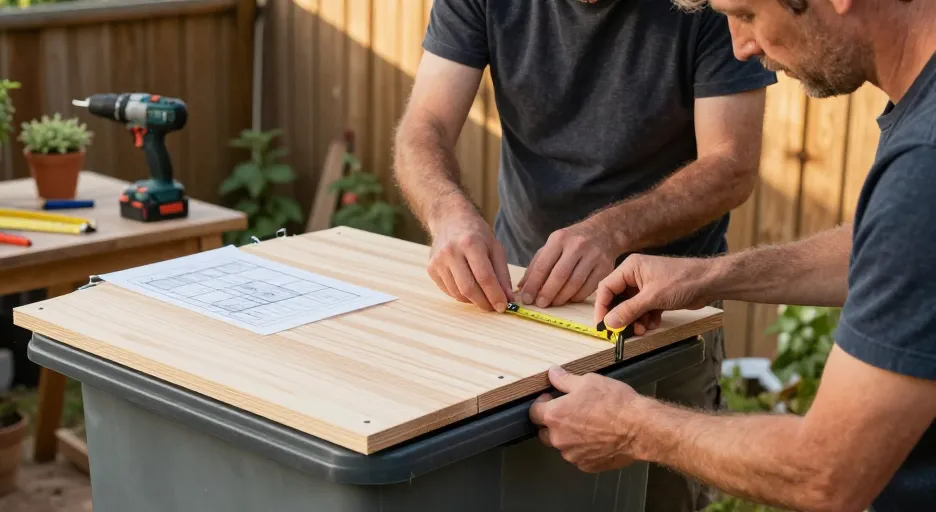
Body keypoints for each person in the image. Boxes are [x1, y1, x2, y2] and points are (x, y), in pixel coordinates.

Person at [527, 0, 936, 507]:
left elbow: (827, 473)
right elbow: (887, 246)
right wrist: (711, 275)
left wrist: (632, 427)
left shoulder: (925, 165)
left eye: (745, 13)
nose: (741, 46)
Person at [394, 0, 775, 509]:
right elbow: (423, 127)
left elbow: (731, 164)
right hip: (520, 302)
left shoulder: (708, 4)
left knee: (655, 499)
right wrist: (447, 212)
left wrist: (610, 231)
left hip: (663, 317)